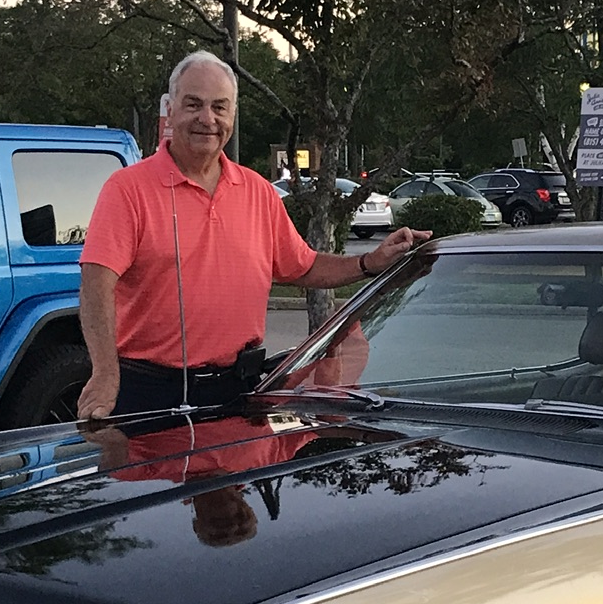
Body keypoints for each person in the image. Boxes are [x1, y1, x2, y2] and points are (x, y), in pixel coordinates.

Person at [77, 50, 427, 419]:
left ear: (232, 115)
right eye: (193, 104)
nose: (207, 119)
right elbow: (96, 284)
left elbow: (303, 267)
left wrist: (370, 262)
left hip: (239, 393)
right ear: (171, 109)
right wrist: (104, 373)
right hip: (148, 391)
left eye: (219, 107)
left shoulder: (258, 191)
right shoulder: (127, 189)